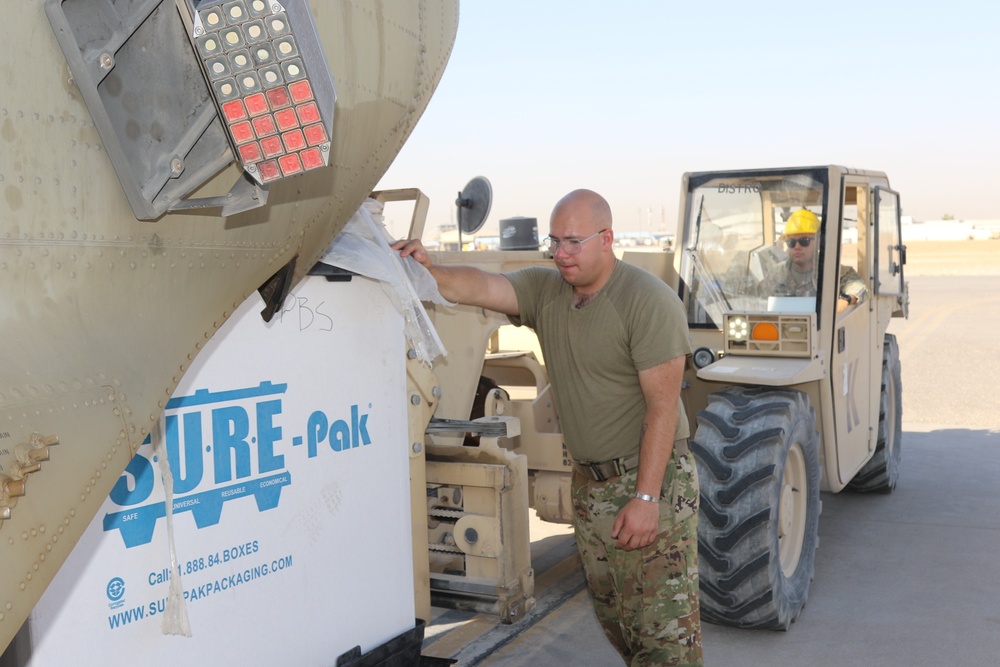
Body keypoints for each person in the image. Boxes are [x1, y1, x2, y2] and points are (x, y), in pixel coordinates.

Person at [394, 189, 702, 666]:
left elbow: (663, 409)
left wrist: (646, 499)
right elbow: (478, 285)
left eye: (574, 242)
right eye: (554, 242)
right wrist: (428, 270)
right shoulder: (548, 290)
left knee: (663, 636)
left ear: (607, 239)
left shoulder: (647, 301)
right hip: (591, 485)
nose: (561, 254)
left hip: (648, 481)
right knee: (620, 622)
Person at [767, 209, 867, 313]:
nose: (797, 247)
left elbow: (858, 288)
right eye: (791, 242)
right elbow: (755, 298)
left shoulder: (836, 272)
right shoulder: (776, 274)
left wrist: (844, 300)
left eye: (804, 241)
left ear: (819, 242)